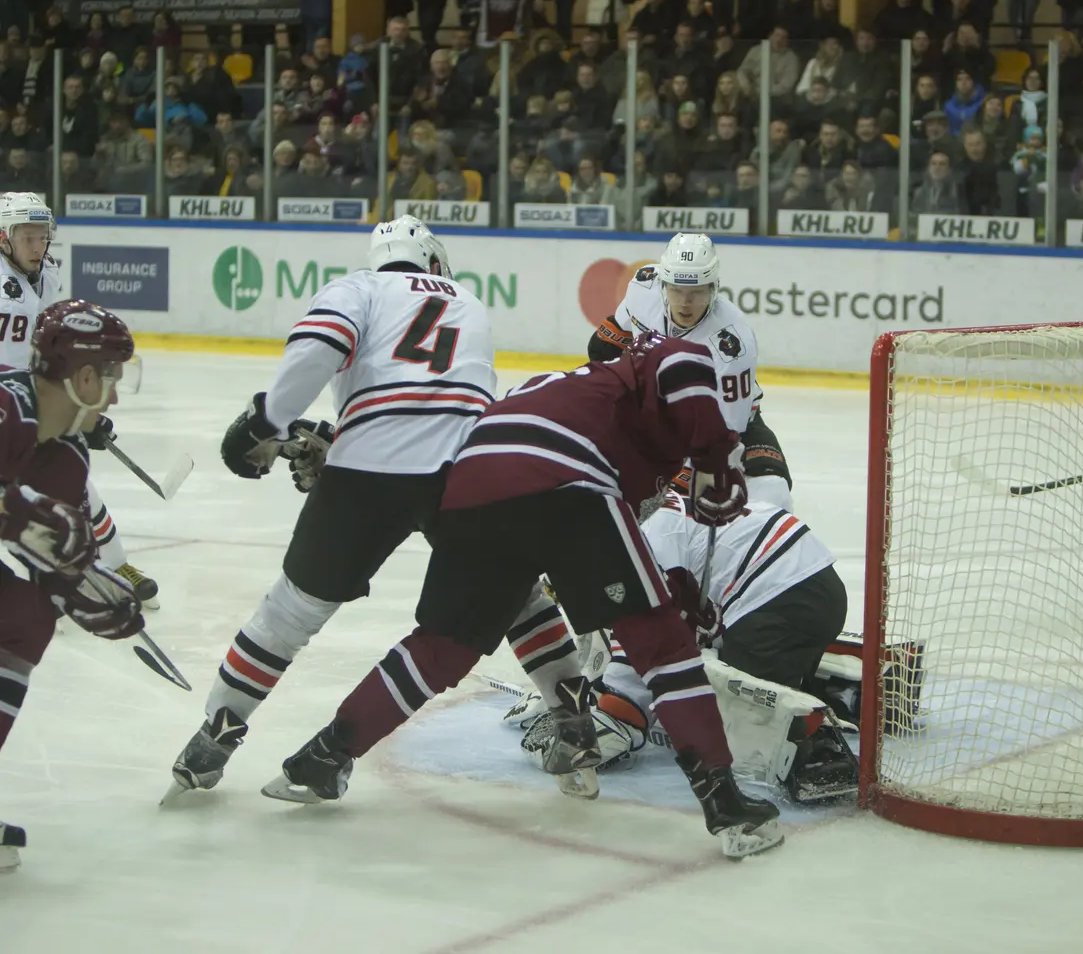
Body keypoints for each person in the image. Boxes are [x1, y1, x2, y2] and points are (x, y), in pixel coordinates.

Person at [273, 330, 785, 858]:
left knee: (441, 646)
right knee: (664, 646)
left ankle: (325, 755)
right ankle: (725, 805)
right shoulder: (674, 363)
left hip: (473, 491)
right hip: (567, 483)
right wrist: (716, 458)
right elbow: (680, 371)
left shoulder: (565, 390)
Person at [166, 218, 518, 801]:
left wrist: (267, 421)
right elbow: (440, 401)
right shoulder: (471, 301)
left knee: (290, 614)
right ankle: (572, 711)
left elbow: (319, 352)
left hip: (368, 473)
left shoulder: (358, 287)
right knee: (515, 593)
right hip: (465, 472)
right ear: (431, 259)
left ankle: (216, 735)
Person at [512, 490, 854, 803]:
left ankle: (815, 747)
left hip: (777, 600)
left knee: (736, 719)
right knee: (708, 667)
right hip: (814, 586)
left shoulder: (642, 546)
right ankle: (828, 689)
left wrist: (578, 730)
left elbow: (628, 707)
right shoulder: (646, 513)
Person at [0, 300, 146, 870]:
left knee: (27, 618)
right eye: (109, 378)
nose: (112, 396)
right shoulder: (7, 408)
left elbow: (48, 562)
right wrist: (17, 512)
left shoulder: (63, 459)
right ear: (84, 377)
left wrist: (82, 589)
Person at [0, 194, 157, 605]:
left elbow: (55, 346)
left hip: (38, 396)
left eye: (42, 237)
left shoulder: (47, 273)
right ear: (3, 238)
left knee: (74, 483)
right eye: (27, 237)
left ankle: (112, 564)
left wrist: (79, 407)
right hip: (8, 404)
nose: (38, 247)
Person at [587, 234, 793, 512]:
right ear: (663, 285)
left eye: (696, 291)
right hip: (653, 416)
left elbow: (727, 434)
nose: (685, 302)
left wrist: (686, 475)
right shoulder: (644, 287)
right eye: (677, 290)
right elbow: (604, 346)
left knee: (773, 492)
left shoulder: (731, 345)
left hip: (719, 423)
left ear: (713, 289)